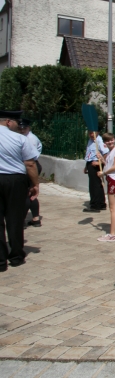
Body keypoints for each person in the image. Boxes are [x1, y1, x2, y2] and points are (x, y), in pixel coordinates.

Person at [0, 110, 40, 271]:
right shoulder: (19, 138)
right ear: (9, 122)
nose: (18, 125)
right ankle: (16, 256)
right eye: (17, 122)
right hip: (15, 180)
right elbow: (30, 164)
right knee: (15, 218)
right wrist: (35, 184)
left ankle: (1, 261)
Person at [95, 133, 115, 242]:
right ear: (104, 143)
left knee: (112, 208)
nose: (110, 142)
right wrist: (101, 159)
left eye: (111, 139)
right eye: (107, 141)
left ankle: (112, 235)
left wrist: (103, 173)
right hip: (113, 179)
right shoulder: (110, 152)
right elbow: (109, 164)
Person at [18, 119, 43, 227]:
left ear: (29, 128)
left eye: (24, 128)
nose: (22, 130)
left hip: (30, 166)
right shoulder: (24, 137)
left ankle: (22, 220)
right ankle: (35, 218)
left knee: (26, 193)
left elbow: (31, 158)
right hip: (30, 165)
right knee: (31, 193)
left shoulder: (30, 139)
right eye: (20, 128)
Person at [83, 129, 108, 212]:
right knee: (96, 184)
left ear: (98, 132)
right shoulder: (90, 140)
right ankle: (101, 203)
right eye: (89, 133)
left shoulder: (99, 141)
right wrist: (86, 167)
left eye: (92, 133)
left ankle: (95, 205)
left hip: (96, 164)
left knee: (94, 185)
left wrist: (99, 162)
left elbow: (106, 153)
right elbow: (89, 154)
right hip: (90, 163)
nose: (91, 135)